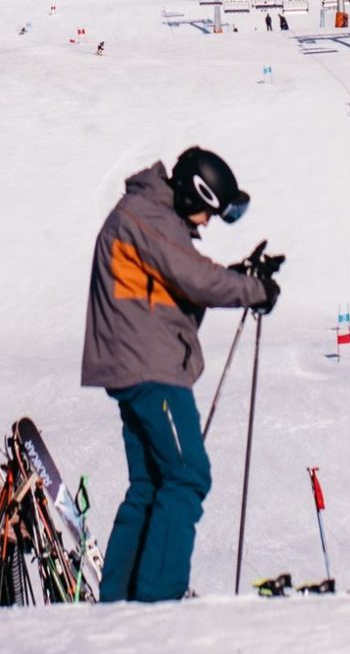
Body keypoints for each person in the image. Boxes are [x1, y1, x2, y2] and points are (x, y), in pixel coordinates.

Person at [82, 146, 281, 602]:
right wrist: (253, 289)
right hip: (151, 370)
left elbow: (177, 284)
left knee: (151, 482)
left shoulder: (148, 218)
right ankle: (158, 596)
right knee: (188, 473)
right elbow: (194, 278)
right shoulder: (147, 215)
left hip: (136, 363)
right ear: (195, 194)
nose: (206, 223)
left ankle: (120, 598)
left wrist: (239, 276)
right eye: (207, 212)